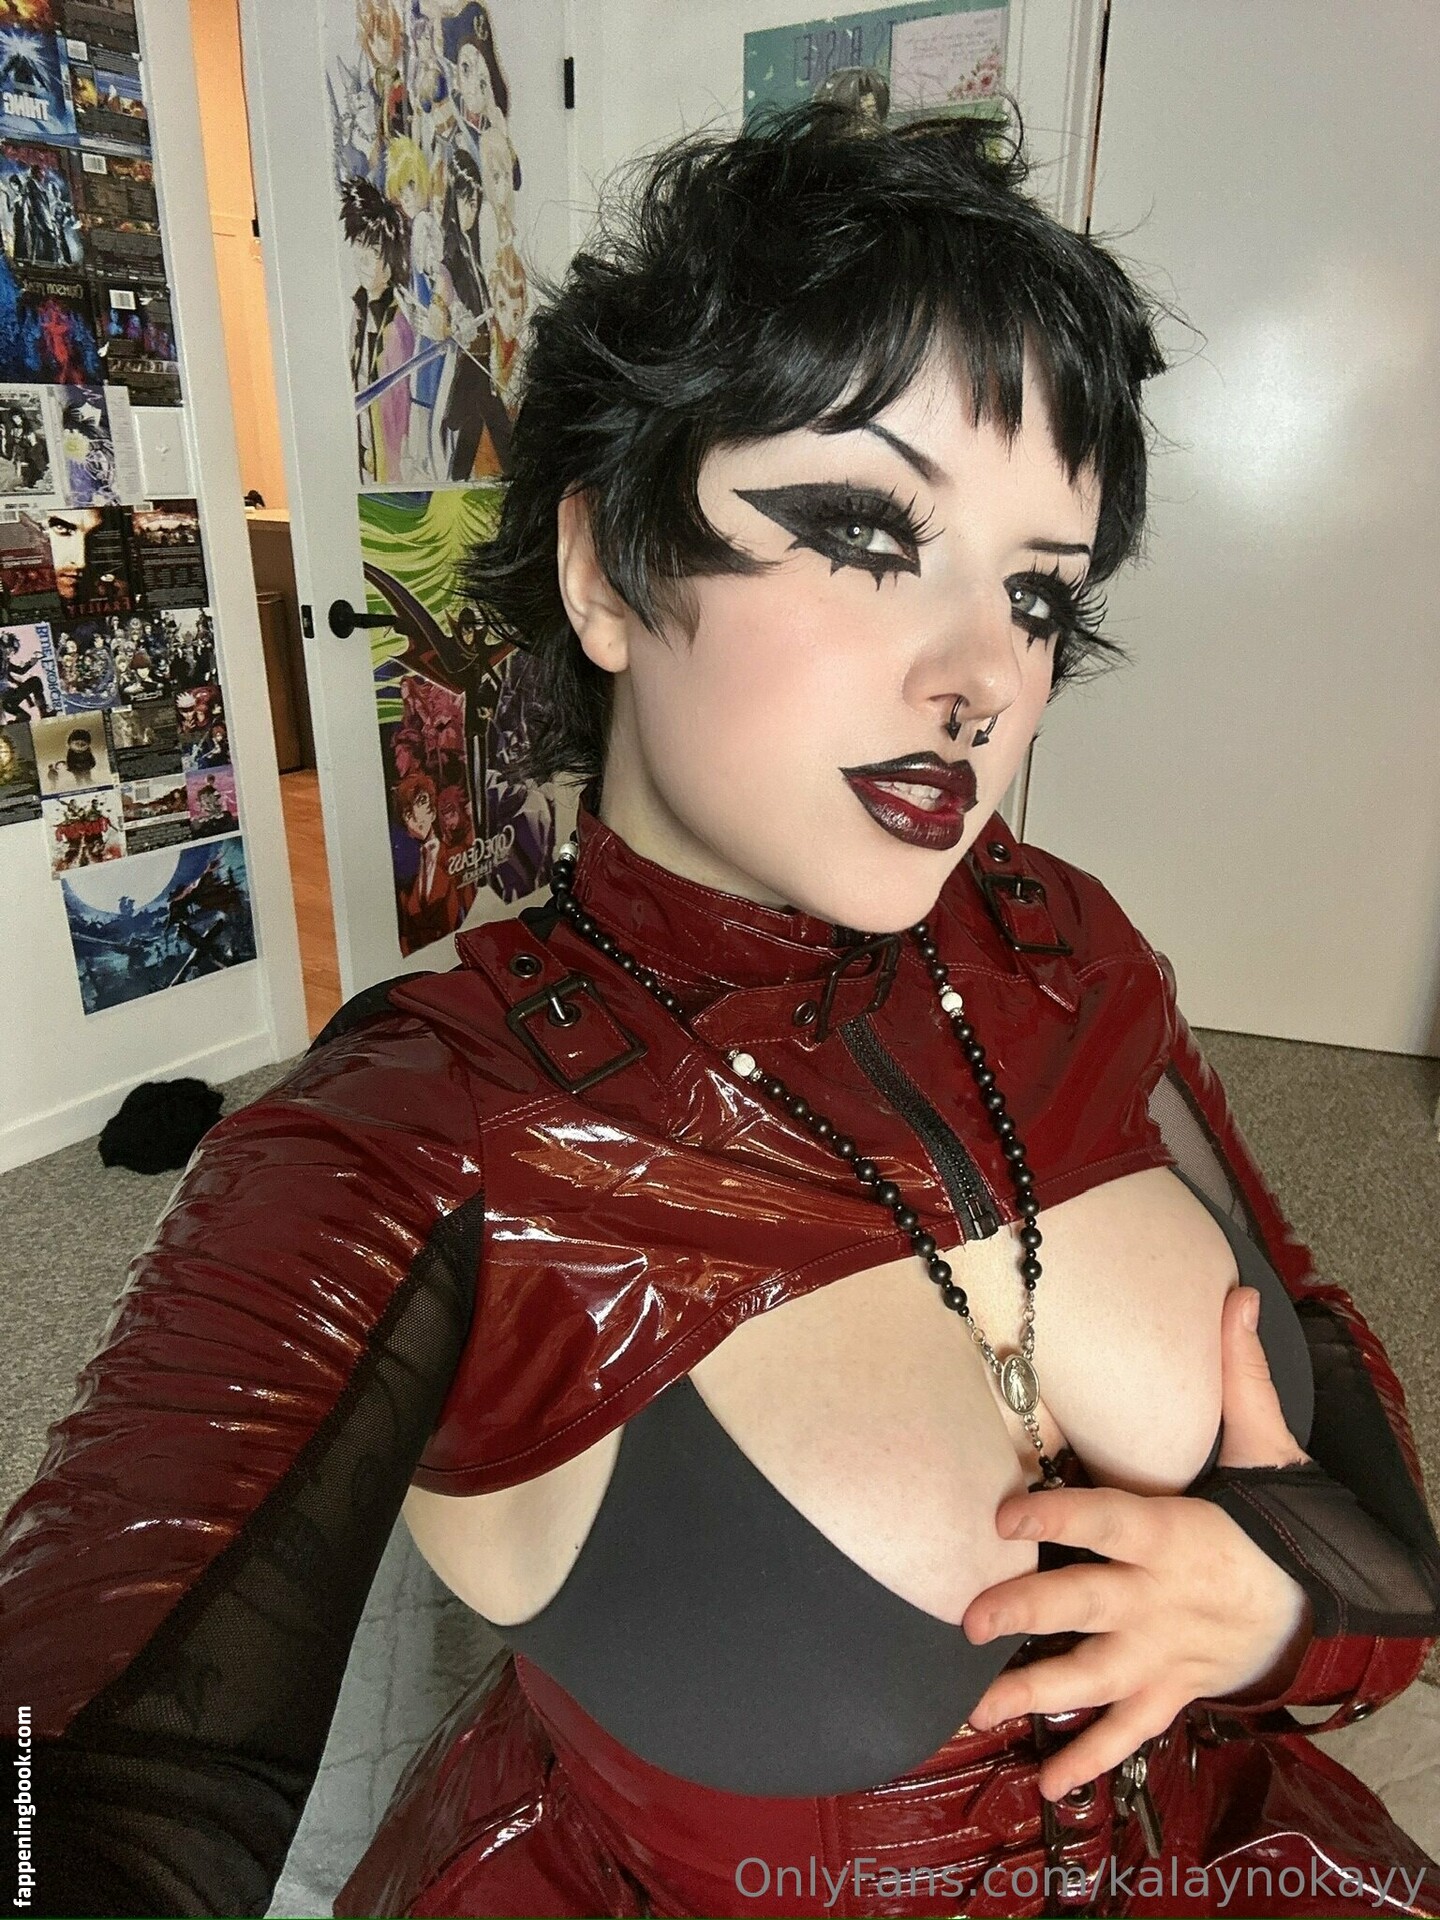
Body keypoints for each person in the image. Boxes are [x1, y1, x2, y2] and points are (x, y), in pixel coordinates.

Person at [3, 104, 1440, 1920]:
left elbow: (1336, 1407)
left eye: (1035, 593)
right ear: (607, 571)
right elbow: (90, 1779)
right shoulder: (422, 1126)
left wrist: (1278, 1601)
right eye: (864, 534)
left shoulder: (1067, 945)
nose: (977, 679)